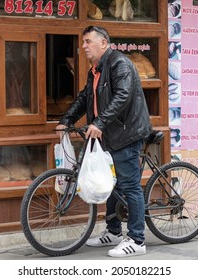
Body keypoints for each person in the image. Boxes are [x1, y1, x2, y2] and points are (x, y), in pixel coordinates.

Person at [55, 25, 152, 258]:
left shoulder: (119, 64)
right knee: (111, 183)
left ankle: (137, 240)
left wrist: (99, 123)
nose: (84, 46)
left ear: (104, 43)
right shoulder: (95, 70)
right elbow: (84, 97)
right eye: (83, 42)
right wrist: (66, 120)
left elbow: (123, 96)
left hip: (126, 134)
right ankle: (114, 231)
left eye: (88, 41)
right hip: (109, 135)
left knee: (129, 186)